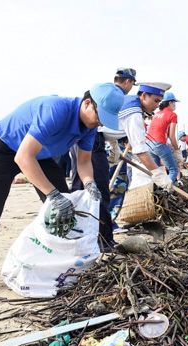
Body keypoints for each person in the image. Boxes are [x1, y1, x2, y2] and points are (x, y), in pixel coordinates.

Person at [0, 83, 124, 296]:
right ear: (87, 103)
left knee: (69, 210)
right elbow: (23, 157)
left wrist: (89, 183)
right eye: (100, 117)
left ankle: (61, 267)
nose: (99, 123)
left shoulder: (89, 126)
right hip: (7, 148)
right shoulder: (56, 110)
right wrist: (53, 195)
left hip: (41, 156)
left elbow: (84, 161)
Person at [69, 68, 138, 250]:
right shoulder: (111, 97)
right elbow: (101, 126)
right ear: (127, 82)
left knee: (84, 186)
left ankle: (87, 235)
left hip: (94, 141)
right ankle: (102, 239)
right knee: (96, 189)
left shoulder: (111, 97)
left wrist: (115, 146)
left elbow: (107, 127)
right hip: (92, 141)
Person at [118, 82, 173, 190]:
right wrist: (159, 175)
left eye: (159, 102)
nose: (157, 106)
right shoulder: (134, 113)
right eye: (156, 101)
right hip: (97, 145)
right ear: (143, 96)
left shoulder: (131, 102)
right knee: (114, 190)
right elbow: (140, 150)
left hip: (109, 146)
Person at [146, 92, 182, 183]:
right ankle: (166, 191)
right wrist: (177, 151)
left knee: (156, 171)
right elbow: (172, 136)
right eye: (174, 102)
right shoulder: (172, 115)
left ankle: (156, 191)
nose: (175, 105)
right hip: (159, 144)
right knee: (174, 170)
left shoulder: (157, 113)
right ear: (170, 103)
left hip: (149, 144)